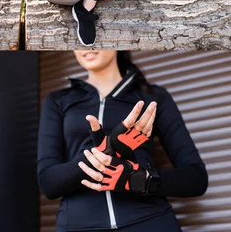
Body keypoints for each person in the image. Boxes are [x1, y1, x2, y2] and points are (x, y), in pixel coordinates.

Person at [37, 51, 208, 231]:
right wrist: (106, 153)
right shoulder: (58, 101)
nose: (86, 46)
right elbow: (49, 182)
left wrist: (138, 179)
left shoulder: (153, 97)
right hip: (78, 225)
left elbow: (196, 178)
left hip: (150, 221)